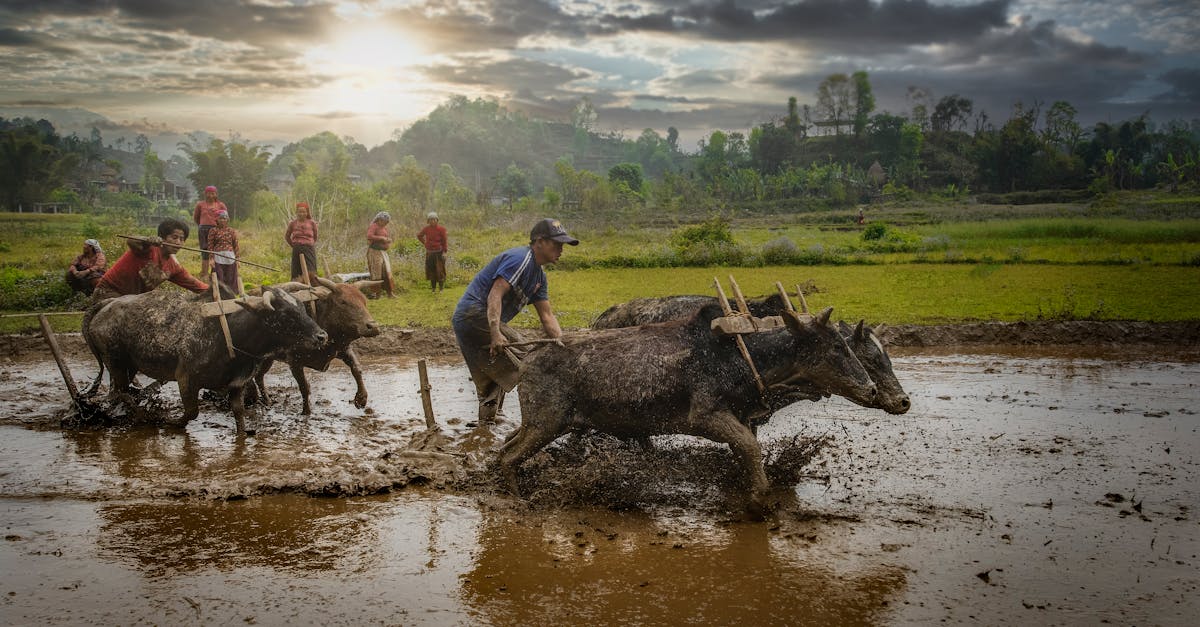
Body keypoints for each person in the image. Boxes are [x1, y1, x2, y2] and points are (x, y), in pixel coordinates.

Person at [452, 218, 579, 424]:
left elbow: (547, 316)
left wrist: (565, 344)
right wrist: (495, 333)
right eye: (556, 244)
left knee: (492, 379)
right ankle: (546, 418)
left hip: (473, 320)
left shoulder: (539, 277)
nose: (560, 249)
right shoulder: (521, 259)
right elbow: (495, 295)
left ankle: (485, 430)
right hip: (474, 314)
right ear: (539, 242)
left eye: (562, 245)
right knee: (529, 359)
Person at [92, 217, 209, 301]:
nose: (178, 242)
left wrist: (217, 292)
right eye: (174, 237)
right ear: (163, 238)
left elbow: (196, 285)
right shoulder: (147, 249)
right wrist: (146, 240)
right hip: (108, 293)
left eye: (182, 239)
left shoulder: (173, 267)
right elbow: (132, 241)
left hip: (132, 301)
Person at [193, 185, 228, 278]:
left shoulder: (221, 205)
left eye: (213, 193)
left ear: (216, 194)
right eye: (208, 193)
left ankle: (216, 273)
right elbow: (196, 218)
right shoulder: (200, 204)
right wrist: (202, 225)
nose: (210, 195)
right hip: (203, 230)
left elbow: (225, 218)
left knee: (216, 251)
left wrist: (221, 228)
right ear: (205, 194)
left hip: (216, 230)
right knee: (204, 251)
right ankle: (204, 273)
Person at [207, 210, 241, 294]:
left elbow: (236, 245)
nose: (223, 220)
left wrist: (237, 259)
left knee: (231, 278)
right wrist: (211, 258)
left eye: (225, 218)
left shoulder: (231, 231)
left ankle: (232, 295)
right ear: (217, 220)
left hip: (230, 257)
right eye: (221, 218)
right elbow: (210, 245)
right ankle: (220, 294)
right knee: (219, 277)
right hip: (218, 257)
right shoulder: (213, 231)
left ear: (227, 220)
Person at [285, 201, 319, 281]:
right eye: (299, 211)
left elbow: (315, 236)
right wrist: (293, 245)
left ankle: (312, 286)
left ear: (307, 212)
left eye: (304, 212)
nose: (301, 214)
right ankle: (296, 288)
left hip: (309, 249)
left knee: (311, 269)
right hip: (297, 249)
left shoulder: (312, 223)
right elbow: (287, 236)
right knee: (296, 270)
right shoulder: (292, 223)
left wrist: (310, 244)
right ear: (296, 212)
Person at [417, 211, 448, 292]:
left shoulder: (442, 229)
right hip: (430, 253)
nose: (432, 221)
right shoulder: (426, 229)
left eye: (434, 219)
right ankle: (433, 289)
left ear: (437, 220)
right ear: (428, 221)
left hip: (439, 253)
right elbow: (419, 235)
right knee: (431, 270)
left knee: (440, 270)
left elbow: (444, 241)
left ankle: (441, 288)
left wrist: (444, 252)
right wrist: (425, 243)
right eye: (430, 220)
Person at [366, 211, 394, 298]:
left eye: (386, 222)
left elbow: (385, 237)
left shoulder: (384, 228)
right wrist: (381, 238)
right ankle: (377, 294)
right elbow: (369, 236)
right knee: (376, 272)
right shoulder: (373, 226)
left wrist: (388, 240)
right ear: (379, 219)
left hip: (383, 252)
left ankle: (390, 293)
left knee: (386, 271)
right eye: (384, 221)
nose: (385, 223)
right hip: (374, 252)